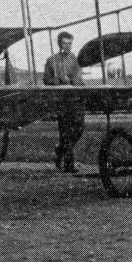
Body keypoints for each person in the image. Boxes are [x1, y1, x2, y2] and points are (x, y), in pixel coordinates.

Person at [43, 31, 85, 173]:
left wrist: (72, 80)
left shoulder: (76, 60)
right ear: (59, 44)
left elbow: (78, 79)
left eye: (70, 43)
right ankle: (69, 165)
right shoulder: (52, 60)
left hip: (76, 99)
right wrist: (57, 80)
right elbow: (46, 80)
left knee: (79, 128)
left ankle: (60, 149)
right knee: (65, 132)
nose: (67, 46)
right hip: (62, 100)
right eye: (64, 43)